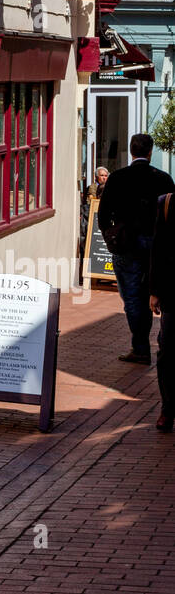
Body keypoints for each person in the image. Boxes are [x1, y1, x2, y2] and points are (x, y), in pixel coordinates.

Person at [98, 134, 175, 364]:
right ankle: (156, 340)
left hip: (127, 244)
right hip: (155, 243)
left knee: (132, 296)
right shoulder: (163, 179)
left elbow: (103, 215)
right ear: (150, 152)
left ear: (131, 151)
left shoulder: (118, 178)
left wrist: (110, 236)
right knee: (155, 293)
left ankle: (140, 346)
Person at [149, 191, 175, 431]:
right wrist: (155, 291)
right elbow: (158, 249)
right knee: (167, 352)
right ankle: (168, 408)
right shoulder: (167, 203)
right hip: (172, 293)